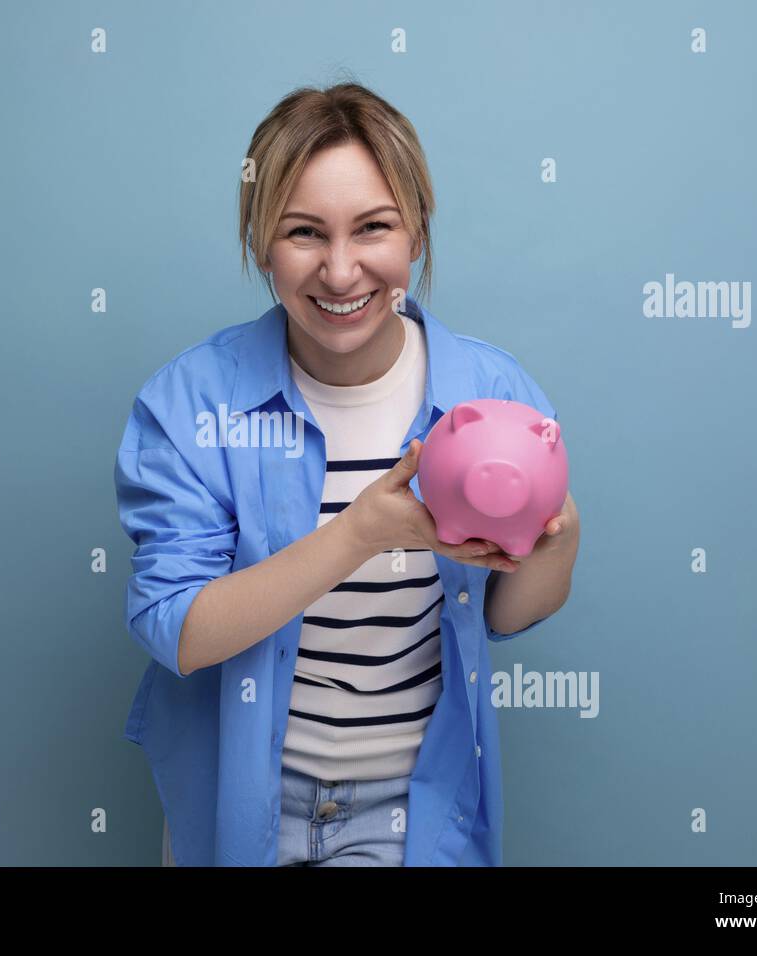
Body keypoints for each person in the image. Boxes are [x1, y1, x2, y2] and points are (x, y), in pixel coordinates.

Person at [114, 81, 580, 866]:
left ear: (418, 234)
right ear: (262, 242)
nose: (339, 271)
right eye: (303, 233)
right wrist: (361, 532)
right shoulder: (191, 403)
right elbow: (180, 632)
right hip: (242, 804)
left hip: (416, 806)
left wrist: (558, 534)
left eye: (373, 228)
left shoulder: (489, 394)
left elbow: (507, 614)